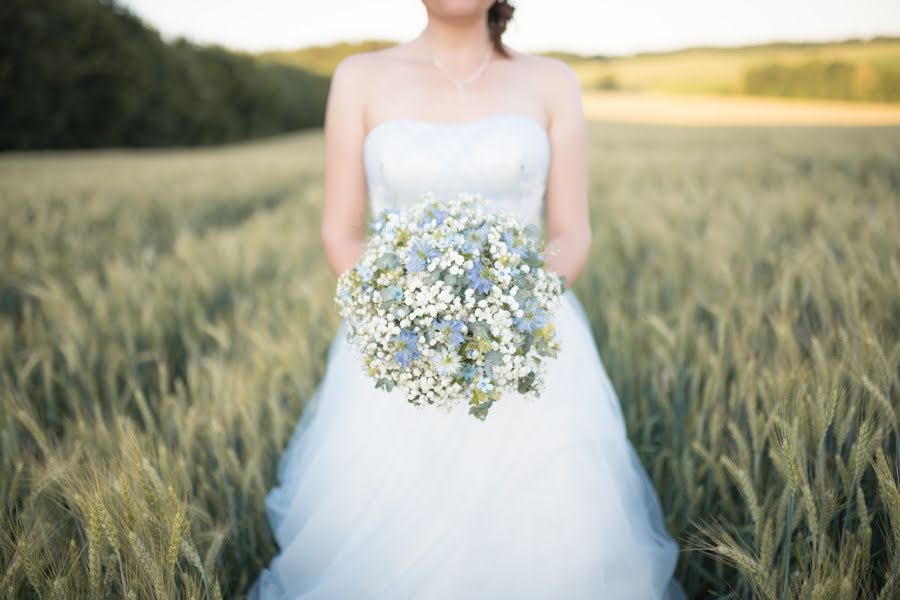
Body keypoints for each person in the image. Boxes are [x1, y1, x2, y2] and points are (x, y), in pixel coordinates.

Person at [249, 1, 685, 598]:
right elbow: (341, 231)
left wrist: (507, 314)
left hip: (528, 351)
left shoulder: (553, 81)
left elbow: (571, 232)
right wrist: (405, 319)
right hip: (395, 351)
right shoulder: (358, 77)